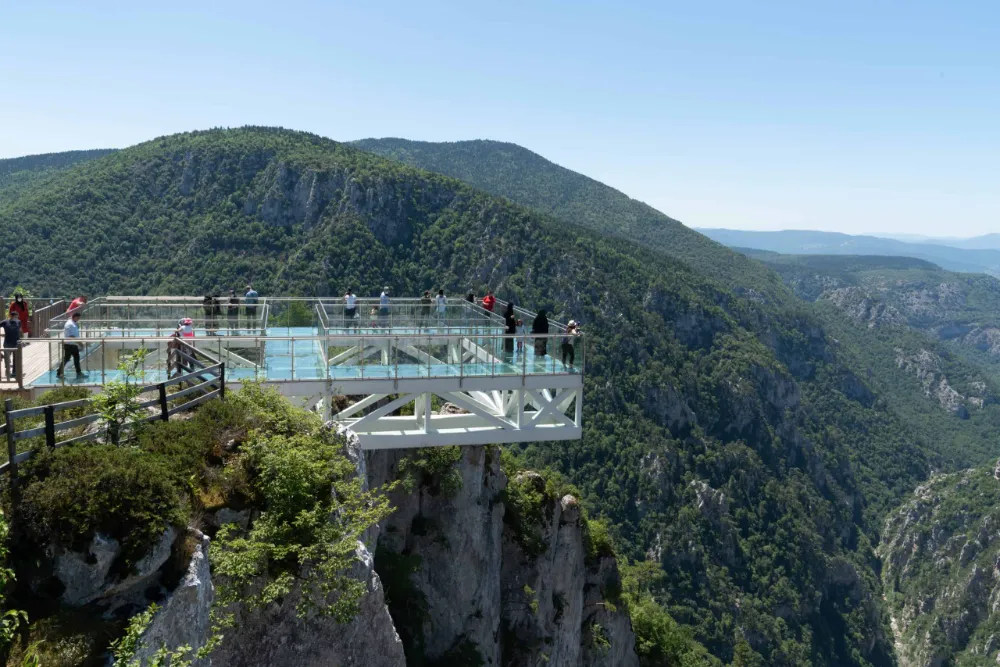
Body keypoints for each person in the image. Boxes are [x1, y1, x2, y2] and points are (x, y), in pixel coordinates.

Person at [56, 312, 86, 378]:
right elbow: (72, 336)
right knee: (67, 358)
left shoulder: (73, 323)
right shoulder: (70, 324)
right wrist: (80, 343)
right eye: (78, 318)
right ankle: (59, 372)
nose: (79, 319)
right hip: (69, 344)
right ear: (75, 317)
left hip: (73, 344)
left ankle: (78, 372)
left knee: (76, 358)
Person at [0, 309, 21, 380]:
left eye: (17, 316)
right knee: (7, 359)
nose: (17, 317)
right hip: (7, 343)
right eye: (16, 316)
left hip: (16, 344)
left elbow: (19, 330)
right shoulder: (5, 322)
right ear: (12, 316)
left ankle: (14, 372)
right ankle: (8, 372)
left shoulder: (18, 322)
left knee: (16, 359)